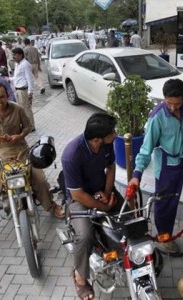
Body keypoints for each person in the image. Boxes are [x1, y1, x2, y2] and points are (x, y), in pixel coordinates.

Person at [0, 82, 63, 259]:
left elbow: (27, 127)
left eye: (2, 96)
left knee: (40, 180)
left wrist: (20, 136)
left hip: (21, 151)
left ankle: (51, 206)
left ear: (7, 95)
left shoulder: (18, 109)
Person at [128, 79, 183, 254]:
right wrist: (136, 174)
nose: (173, 107)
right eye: (169, 103)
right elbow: (145, 149)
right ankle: (164, 238)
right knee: (166, 204)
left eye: (177, 104)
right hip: (167, 165)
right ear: (164, 99)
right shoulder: (156, 118)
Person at [61, 112, 125, 300]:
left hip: (101, 189)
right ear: (97, 140)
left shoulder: (107, 144)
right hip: (79, 199)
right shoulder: (71, 155)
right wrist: (102, 207)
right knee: (85, 235)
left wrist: (106, 193)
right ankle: (79, 278)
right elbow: (77, 194)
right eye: (112, 132)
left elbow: (111, 168)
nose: (115, 135)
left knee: (129, 215)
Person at [11, 47, 36, 131]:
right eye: (13, 55)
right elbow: (17, 77)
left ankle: (31, 126)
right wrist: (9, 79)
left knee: (26, 109)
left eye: (15, 55)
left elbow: (30, 79)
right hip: (17, 90)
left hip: (23, 90)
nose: (13, 56)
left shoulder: (25, 64)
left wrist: (30, 92)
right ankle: (26, 125)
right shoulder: (17, 64)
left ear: (20, 55)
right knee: (21, 109)